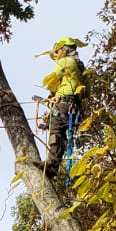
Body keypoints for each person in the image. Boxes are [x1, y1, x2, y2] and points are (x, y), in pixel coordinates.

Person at [39, 35, 88, 182]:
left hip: (64, 103)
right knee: (59, 131)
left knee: (56, 131)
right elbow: (87, 91)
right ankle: (54, 165)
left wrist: (53, 94)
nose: (57, 54)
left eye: (58, 50)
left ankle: (52, 165)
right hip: (74, 107)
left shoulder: (65, 61)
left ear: (64, 49)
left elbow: (52, 80)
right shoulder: (80, 67)